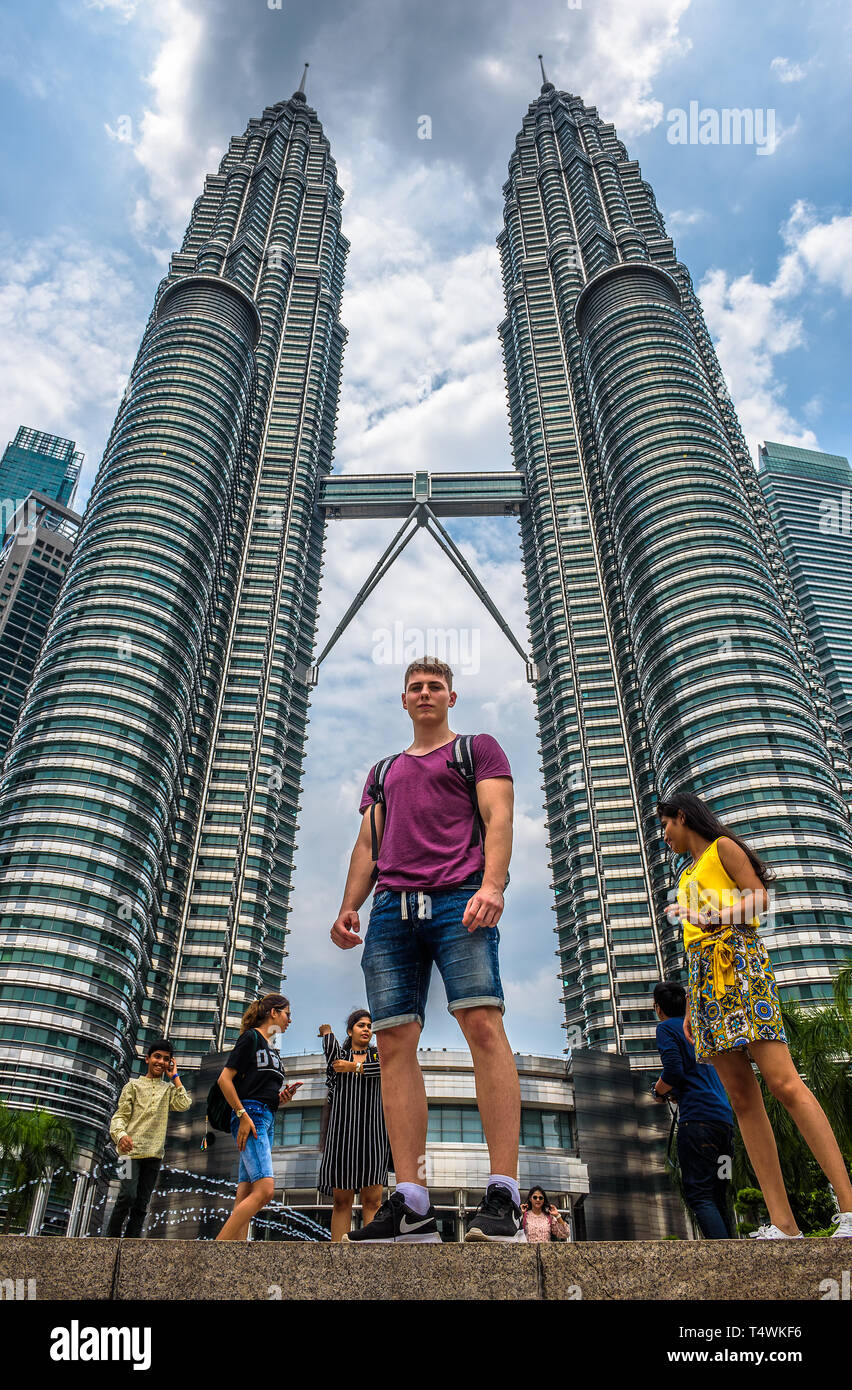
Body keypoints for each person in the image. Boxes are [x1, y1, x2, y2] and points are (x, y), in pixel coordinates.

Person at [331, 657, 524, 1243]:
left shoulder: (477, 750)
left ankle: (504, 1195)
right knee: (392, 1042)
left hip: (459, 900)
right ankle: (412, 1203)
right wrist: (349, 906)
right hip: (391, 909)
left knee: (482, 1025)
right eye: (415, 686)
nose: (424, 693)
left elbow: (499, 816)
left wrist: (493, 885)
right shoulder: (384, 770)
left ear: (451, 696)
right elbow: (368, 844)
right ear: (404, 699)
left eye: (434, 686)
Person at [660, 791, 852, 1239]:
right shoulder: (687, 872)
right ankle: (784, 1225)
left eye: (666, 824)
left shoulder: (722, 847)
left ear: (683, 816)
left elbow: (759, 900)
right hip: (706, 980)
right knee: (743, 1102)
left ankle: (849, 1205)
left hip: (741, 964)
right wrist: (693, 1001)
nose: (665, 835)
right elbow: (693, 936)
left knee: (784, 1083)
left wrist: (714, 914)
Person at [215, 993, 301, 1241]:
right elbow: (225, 1079)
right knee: (264, 1190)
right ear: (273, 1012)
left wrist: (280, 1098)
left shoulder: (271, 1048)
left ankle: (236, 1255)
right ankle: (216, 1250)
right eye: (287, 1013)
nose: (289, 1020)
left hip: (266, 1116)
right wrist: (242, 1115)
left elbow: (258, 1086)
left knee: (246, 1191)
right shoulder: (251, 1037)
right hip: (251, 1115)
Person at [652, 980, 735, 1239]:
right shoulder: (700, 1029)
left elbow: (674, 1070)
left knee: (699, 1194)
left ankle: (724, 1259)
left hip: (697, 1124)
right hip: (724, 1123)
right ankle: (736, 1255)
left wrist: (658, 1091)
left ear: (658, 1008)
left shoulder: (666, 1028)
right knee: (720, 1192)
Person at [317, 1009, 392, 1241]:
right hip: (342, 1136)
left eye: (369, 1025)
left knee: (373, 1201)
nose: (367, 1029)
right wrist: (328, 1032)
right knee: (341, 1201)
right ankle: (339, 1256)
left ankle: (370, 1255)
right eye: (361, 1025)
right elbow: (332, 1056)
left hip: (374, 1135)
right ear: (350, 1031)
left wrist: (356, 1068)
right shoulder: (340, 1058)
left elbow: (390, 1069)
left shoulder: (378, 1055)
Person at [107, 1038, 191, 1238]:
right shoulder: (132, 1086)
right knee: (127, 1195)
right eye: (157, 1057)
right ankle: (109, 1240)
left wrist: (175, 1076)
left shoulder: (168, 1089)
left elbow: (184, 1103)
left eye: (166, 1059)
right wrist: (121, 1136)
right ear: (147, 1059)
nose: (160, 1062)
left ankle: (131, 1245)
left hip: (153, 1155)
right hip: (128, 1154)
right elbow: (120, 1116)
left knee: (142, 1203)